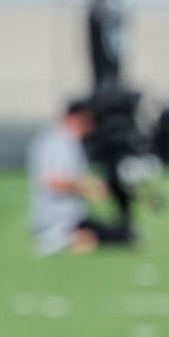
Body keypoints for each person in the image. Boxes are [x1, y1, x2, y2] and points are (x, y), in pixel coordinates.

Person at [28, 98, 132, 254]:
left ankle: (75, 238)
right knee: (122, 235)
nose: (90, 128)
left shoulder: (61, 140)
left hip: (69, 218)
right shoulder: (60, 142)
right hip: (60, 220)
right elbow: (53, 181)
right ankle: (69, 239)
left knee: (121, 232)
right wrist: (87, 188)